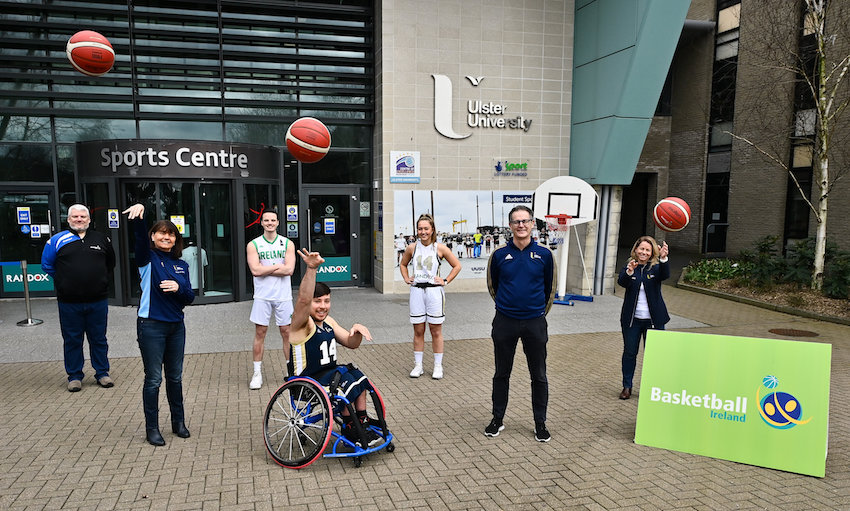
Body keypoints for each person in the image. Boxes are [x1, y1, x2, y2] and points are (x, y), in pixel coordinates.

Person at [289, 248, 382, 447]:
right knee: (343, 384)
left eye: (327, 301)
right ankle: (351, 426)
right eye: (317, 301)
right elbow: (303, 300)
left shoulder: (328, 321)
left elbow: (351, 344)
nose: (323, 306)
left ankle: (362, 421)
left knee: (357, 377)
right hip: (307, 381)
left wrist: (356, 331)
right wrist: (311, 269)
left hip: (329, 376)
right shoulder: (301, 323)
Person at [123, 203, 195, 446]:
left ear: (176, 239)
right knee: (153, 379)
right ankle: (152, 428)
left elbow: (189, 297)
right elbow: (139, 240)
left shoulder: (181, 265)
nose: (166, 236)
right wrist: (139, 218)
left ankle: (179, 422)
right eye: (161, 233)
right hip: (151, 326)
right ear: (153, 237)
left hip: (176, 327)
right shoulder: (147, 259)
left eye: (171, 233)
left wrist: (178, 288)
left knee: (175, 378)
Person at [485, 205, 555, 442]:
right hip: (505, 321)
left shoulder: (545, 255)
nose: (521, 225)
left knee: (539, 375)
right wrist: (507, 307)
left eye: (525, 221)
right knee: (501, 373)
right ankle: (497, 419)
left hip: (535, 322)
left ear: (532, 224)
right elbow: (493, 286)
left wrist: (537, 312)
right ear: (510, 225)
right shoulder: (499, 255)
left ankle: (540, 423)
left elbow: (550, 288)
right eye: (516, 222)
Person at [42, 204, 116, 392]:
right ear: (68, 219)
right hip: (69, 302)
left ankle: (102, 373)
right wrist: (64, 281)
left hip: (97, 300)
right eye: (74, 217)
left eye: (83, 217)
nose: (79, 219)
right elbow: (47, 266)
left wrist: (99, 280)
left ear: (89, 220)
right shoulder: (56, 241)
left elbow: (110, 263)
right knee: (72, 339)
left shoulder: (102, 239)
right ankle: (74, 376)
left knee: (98, 338)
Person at [399, 213, 462, 379]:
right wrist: (406, 278)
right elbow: (403, 264)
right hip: (417, 291)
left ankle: (437, 366)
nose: (423, 231)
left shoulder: (440, 248)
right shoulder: (412, 248)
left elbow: (457, 266)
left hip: (434, 292)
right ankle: (418, 366)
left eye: (426, 228)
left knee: (436, 331)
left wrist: (446, 280)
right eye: (420, 228)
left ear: (432, 229)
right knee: (418, 330)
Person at [617, 236, 670, 400]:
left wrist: (664, 258)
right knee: (630, 353)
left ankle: (652, 388)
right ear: (636, 250)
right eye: (641, 249)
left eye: (647, 250)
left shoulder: (655, 268)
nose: (644, 252)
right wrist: (629, 272)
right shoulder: (629, 265)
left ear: (652, 252)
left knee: (653, 356)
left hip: (654, 320)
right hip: (632, 320)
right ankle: (627, 386)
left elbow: (665, 275)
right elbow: (622, 282)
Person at [247, 210, 295, 390]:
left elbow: (289, 270)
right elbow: (255, 270)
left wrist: (265, 267)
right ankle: (257, 373)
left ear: (278, 222)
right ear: (261, 223)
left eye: (273, 220)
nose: (269, 223)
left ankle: (292, 372)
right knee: (260, 332)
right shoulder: (254, 244)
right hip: (262, 296)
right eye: (266, 220)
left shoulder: (287, 243)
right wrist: (277, 265)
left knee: (286, 332)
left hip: (283, 296)